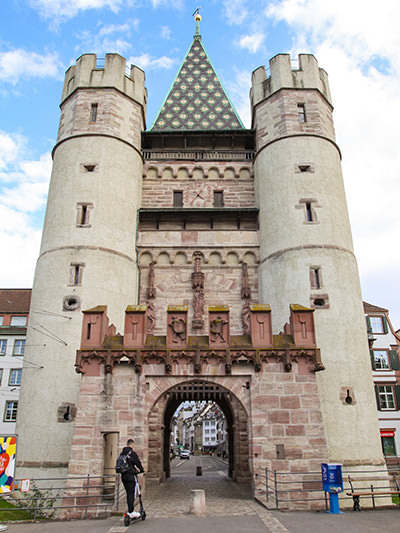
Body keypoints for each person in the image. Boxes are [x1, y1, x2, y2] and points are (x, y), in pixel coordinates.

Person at [121, 438, 144, 520]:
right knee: (132, 493)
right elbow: (137, 462)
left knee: (128, 493)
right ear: (132, 444)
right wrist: (141, 469)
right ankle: (131, 511)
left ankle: (130, 510)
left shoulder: (122, 454)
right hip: (130, 475)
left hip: (123, 476)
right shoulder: (132, 453)